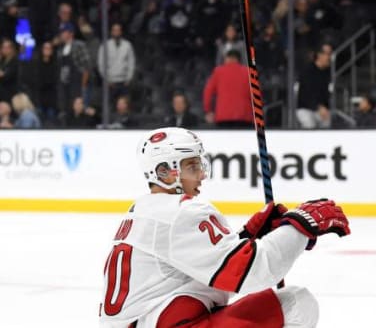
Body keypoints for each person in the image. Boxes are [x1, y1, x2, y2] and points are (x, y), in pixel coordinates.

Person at [99, 127, 350, 327]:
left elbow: (197, 270)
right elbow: (255, 272)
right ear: (164, 173)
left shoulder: (143, 211)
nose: (201, 175)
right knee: (298, 303)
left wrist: (249, 236)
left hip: (151, 320)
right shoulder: (181, 211)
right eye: (191, 167)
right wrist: (300, 224)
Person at [203, 49, 253, 128]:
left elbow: (208, 92)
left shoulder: (218, 71)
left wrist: (208, 110)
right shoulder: (248, 72)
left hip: (223, 115)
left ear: (228, 58)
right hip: (244, 115)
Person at [97, 22, 136, 102]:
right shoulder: (104, 46)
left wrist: (128, 79)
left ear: (121, 32)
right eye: (114, 30)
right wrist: (107, 79)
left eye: (118, 30)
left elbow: (131, 63)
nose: (116, 32)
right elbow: (101, 64)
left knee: (124, 104)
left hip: (124, 82)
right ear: (111, 32)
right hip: (110, 82)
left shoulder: (127, 45)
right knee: (109, 106)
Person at [296, 44, 331, 129]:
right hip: (306, 109)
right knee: (309, 125)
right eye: (328, 54)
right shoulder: (308, 71)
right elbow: (307, 94)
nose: (330, 57)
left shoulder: (327, 73)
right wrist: (319, 107)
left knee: (328, 123)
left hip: (321, 111)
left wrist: (324, 108)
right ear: (319, 55)